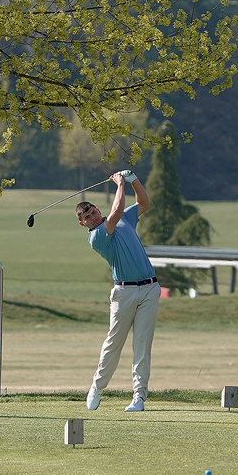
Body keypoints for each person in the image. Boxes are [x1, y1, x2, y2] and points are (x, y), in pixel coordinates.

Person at [77, 170, 161, 412]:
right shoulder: (97, 236)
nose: (93, 216)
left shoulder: (125, 218)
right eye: (88, 216)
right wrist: (120, 184)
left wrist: (133, 179)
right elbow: (115, 211)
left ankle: (139, 397)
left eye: (93, 211)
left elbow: (143, 203)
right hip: (124, 294)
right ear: (83, 223)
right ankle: (97, 387)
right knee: (113, 344)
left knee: (142, 345)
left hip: (149, 289)